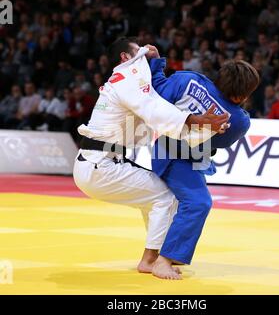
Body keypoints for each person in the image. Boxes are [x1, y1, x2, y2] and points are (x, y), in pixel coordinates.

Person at [72, 37, 229, 280]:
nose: (145, 52)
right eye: (139, 50)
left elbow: (155, 97)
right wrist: (198, 120)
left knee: (155, 198)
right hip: (100, 166)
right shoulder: (126, 80)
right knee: (164, 197)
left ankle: (155, 256)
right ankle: (150, 260)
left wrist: (156, 61)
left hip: (100, 162)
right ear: (125, 57)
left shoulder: (125, 80)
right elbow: (154, 108)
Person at [145, 46, 260, 279]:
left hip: (162, 148)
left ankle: (161, 255)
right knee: (198, 202)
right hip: (180, 158)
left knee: (181, 203)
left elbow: (157, 89)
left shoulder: (188, 79)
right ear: (241, 96)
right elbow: (221, 143)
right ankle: (163, 261)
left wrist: (156, 62)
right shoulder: (238, 119)